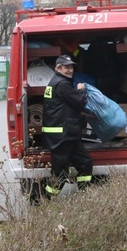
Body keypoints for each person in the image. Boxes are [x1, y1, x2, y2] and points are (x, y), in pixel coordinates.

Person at [42, 55, 93, 198]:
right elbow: (80, 102)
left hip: (67, 134)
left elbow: (62, 107)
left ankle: (84, 194)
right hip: (62, 136)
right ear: (58, 68)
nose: (70, 70)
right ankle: (46, 200)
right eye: (66, 67)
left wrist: (81, 115)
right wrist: (81, 90)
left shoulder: (56, 82)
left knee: (85, 163)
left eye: (71, 67)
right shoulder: (62, 84)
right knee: (60, 172)